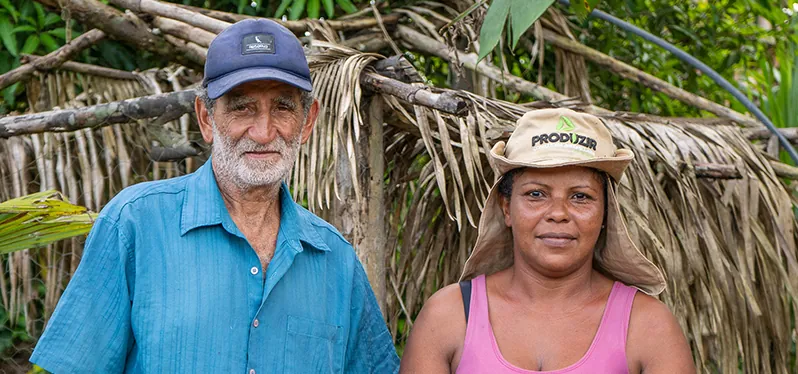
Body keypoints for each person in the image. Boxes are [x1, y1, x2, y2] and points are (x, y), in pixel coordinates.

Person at [30, 19, 399, 373]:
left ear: (307, 121)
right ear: (206, 118)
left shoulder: (336, 260)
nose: (264, 131)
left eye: (283, 107)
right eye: (242, 107)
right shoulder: (135, 225)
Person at [400, 108, 695, 373]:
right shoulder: (448, 317)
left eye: (580, 196)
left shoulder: (647, 326)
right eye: (536, 194)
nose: (558, 213)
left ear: (606, 213)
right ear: (506, 208)